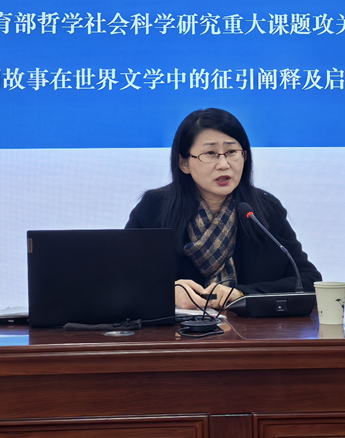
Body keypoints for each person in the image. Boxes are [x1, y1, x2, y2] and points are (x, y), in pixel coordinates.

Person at [126, 108, 321, 311]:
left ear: (244, 156)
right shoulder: (155, 208)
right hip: (176, 330)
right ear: (184, 163)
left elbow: (308, 280)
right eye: (210, 154)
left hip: (247, 330)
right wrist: (167, 293)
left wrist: (242, 294)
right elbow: (121, 280)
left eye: (231, 152)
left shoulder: (264, 210)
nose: (223, 164)